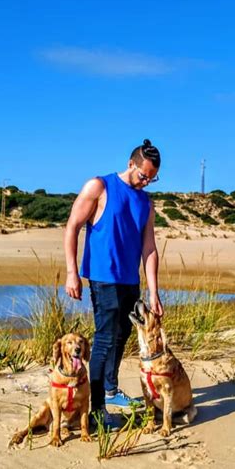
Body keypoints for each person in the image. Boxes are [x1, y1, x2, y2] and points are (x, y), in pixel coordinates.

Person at [64, 139, 164, 427]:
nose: (146, 181)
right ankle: (96, 411)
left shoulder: (146, 203)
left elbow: (149, 248)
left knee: (123, 335)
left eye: (152, 178)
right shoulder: (99, 186)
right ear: (131, 163)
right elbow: (72, 226)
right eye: (143, 175)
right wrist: (72, 273)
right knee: (105, 339)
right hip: (102, 276)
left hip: (129, 279)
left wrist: (154, 291)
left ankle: (110, 390)